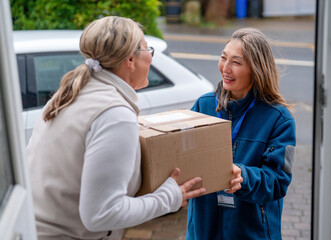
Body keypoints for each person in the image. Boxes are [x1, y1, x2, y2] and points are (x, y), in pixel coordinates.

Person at [27, 16, 210, 240]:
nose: (151, 57)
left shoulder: (71, 94)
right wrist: (169, 197)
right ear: (131, 60)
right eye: (147, 49)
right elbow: (101, 214)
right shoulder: (114, 114)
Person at [186, 28, 296, 240]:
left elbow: (279, 181)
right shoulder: (204, 105)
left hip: (250, 232)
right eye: (223, 58)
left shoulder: (279, 119)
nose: (225, 68)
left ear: (256, 69)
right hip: (202, 230)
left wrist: (243, 177)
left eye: (236, 62)